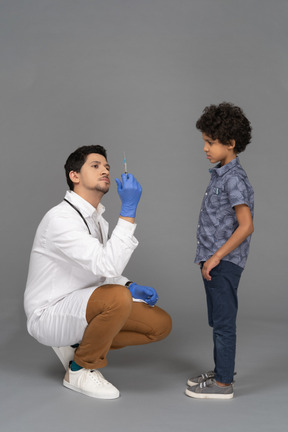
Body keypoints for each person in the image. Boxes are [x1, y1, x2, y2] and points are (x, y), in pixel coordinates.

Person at [24, 145, 172, 400]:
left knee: (159, 325)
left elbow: (101, 271)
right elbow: (107, 266)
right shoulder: (60, 219)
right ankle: (80, 369)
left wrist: (129, 285)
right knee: (116, 299)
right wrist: (128, 211)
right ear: (75, 176)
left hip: (83, 303)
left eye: (107, 167)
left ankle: (78, 344)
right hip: (50, 313)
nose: (105, 170)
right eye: (95, 165)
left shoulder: (96, 219)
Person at [185, 103, 254, 400]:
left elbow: (246, 225)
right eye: (205, 141)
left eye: (210, 142)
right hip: (213, 263)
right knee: (217, 320)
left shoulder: (234, 178)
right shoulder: (222, 175)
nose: (205, 148)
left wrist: (215, 258)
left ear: (230, 143)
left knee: (224, 322)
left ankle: (224, 384)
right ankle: (221, 369)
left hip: (223, 264)